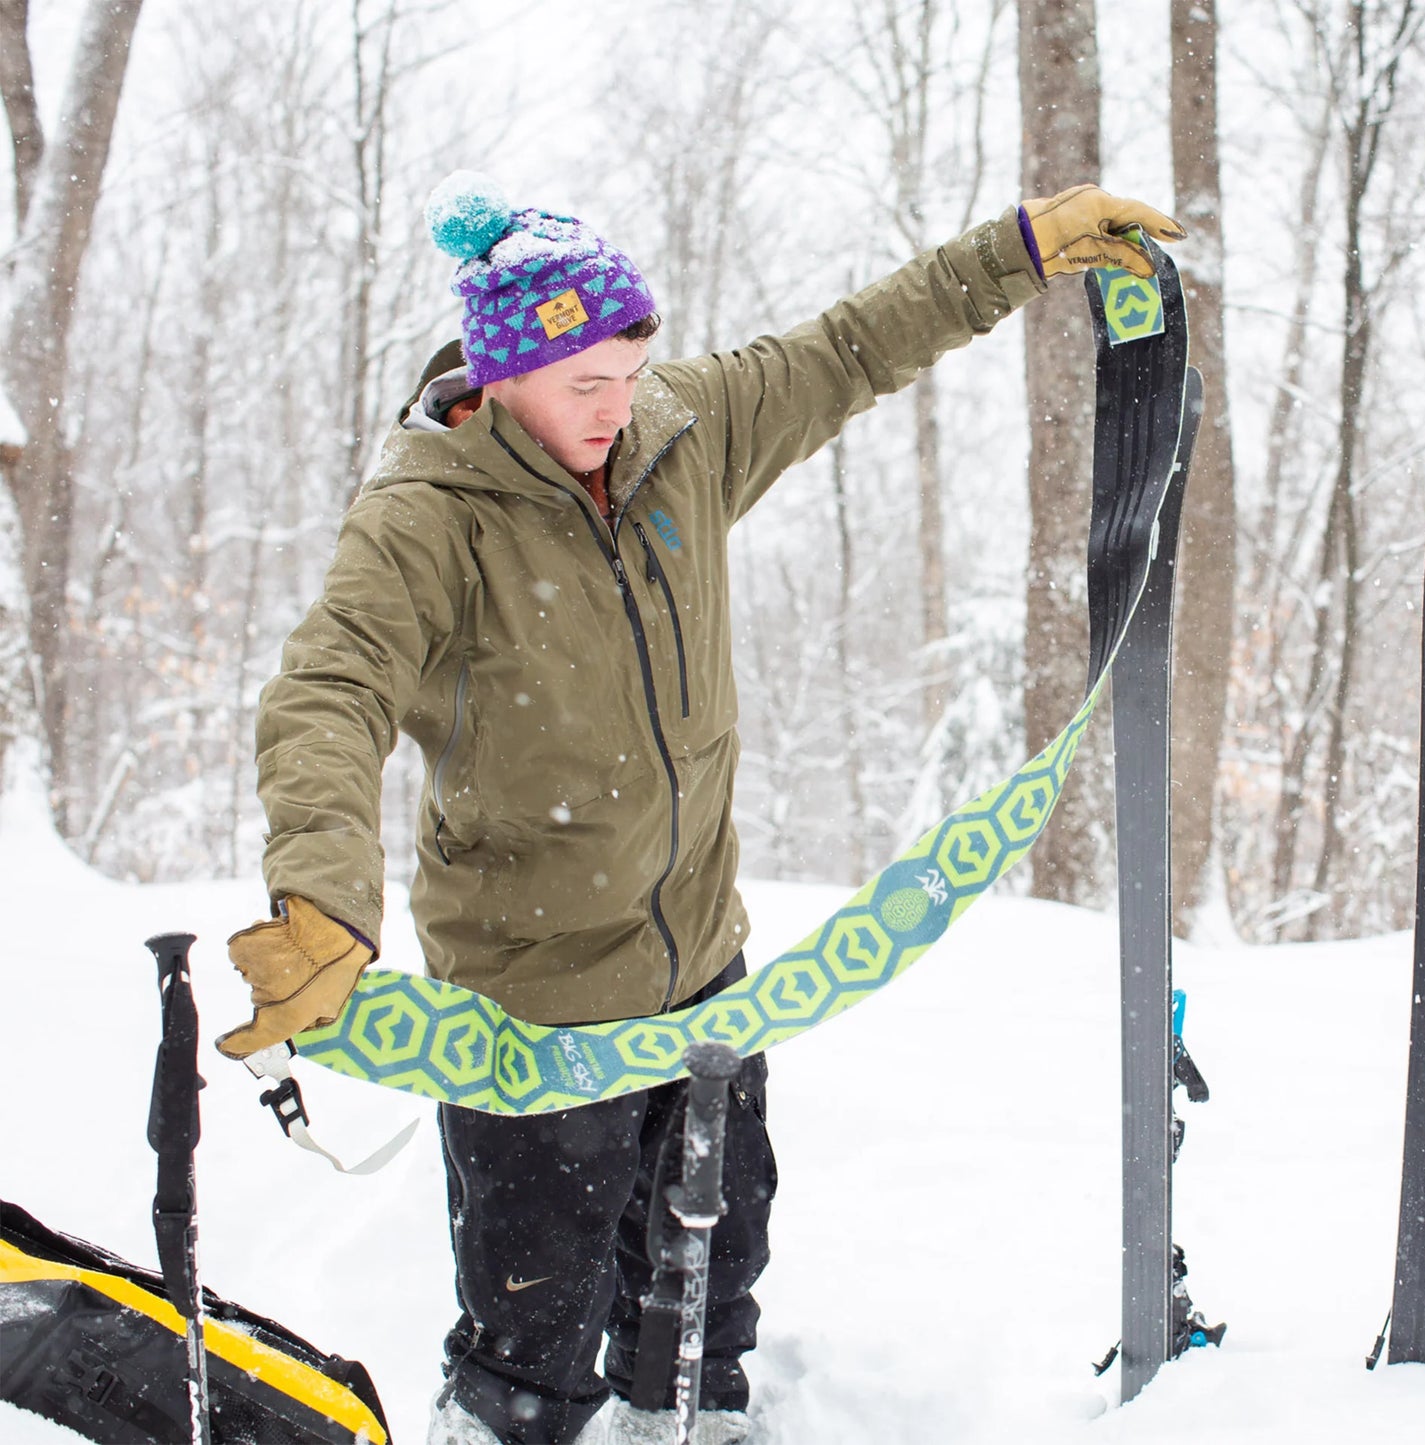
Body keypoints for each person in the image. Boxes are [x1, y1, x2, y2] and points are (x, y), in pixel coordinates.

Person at [216, 174, 1184, 1445]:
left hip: (707, 989)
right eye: (582, 385)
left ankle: (695, 1422)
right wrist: (322, 890)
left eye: (627, 370)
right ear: (502, 375)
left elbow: (851, 345)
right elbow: (328, 692)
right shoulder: (427, 519)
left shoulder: (683, 432)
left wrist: (1014, 251)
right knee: (533, 1335)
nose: (615, 408)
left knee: (708, 1290)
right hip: (532, 1017)